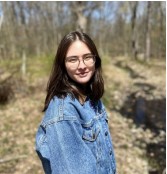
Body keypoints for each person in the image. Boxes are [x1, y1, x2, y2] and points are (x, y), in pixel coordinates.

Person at [35, 31, 116, 174]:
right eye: (73, 60)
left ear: (95, 60)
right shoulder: (64, 112)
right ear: (63, 65)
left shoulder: (91, 97)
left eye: (87, 57)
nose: (82, 65)